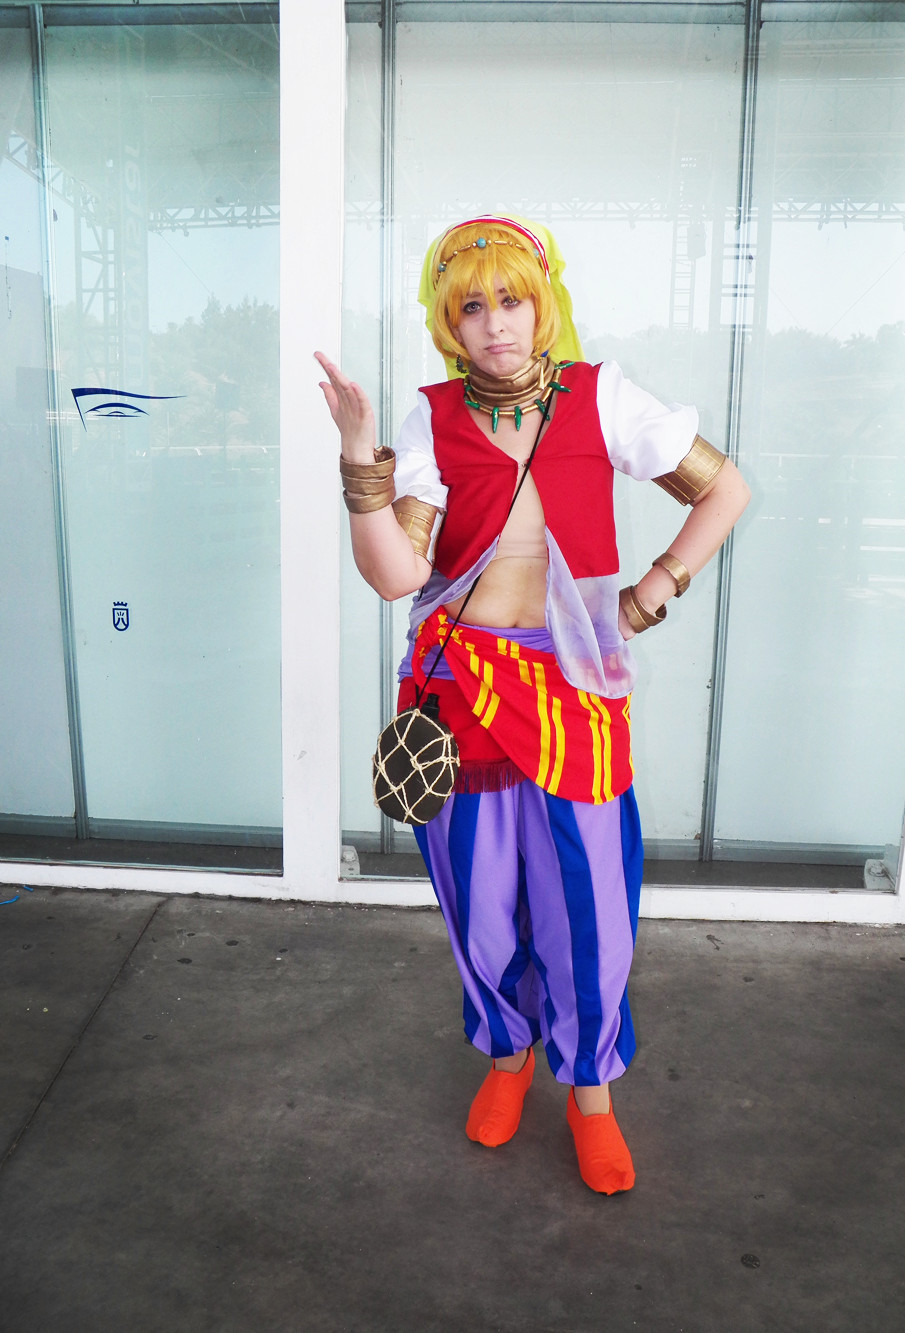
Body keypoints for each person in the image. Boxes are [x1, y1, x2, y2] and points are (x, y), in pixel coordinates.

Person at [317, 215, 750, 1195]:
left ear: (541, 300)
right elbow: (397, 577)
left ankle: (590, 1089)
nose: (496, 324)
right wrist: (356, 458)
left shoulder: (603, 398)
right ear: (450, 323)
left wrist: (650, 594)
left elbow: (723, 490)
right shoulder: (431, 418)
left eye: (510, 300)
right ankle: (508, 1052)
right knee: (478, 900)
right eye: (473, 307)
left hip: (572, 689)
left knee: (587, 902)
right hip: (457, 686)